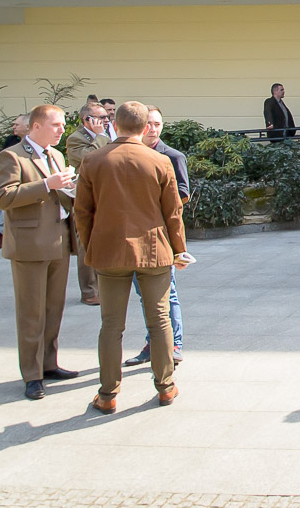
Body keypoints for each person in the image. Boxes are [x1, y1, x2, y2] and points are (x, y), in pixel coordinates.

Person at [74, 101, 189, 414]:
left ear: (115, 124)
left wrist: (91, 244)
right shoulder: (159, 161)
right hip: (154, 250)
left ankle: (108, 393)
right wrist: (179, 249)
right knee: (160, 320)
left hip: (109, 251)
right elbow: (173, 212)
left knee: (111, 325)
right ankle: (165, 386)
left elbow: (82, 211)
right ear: (144, 127)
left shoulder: (93, 160)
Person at [0, 104, 78, 401]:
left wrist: (70, 189)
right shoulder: (11, 156)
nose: (62, 129)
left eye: (62, 125)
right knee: (31, 312)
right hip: (29, 245)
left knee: (54, 307)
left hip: (58, 241)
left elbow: (57, 195)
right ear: (36, 126)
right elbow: (3, 197)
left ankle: (49, 364)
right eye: (56, 125)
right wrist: (46, 184)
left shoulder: (56, 155)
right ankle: (31, 374)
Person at [124, 106, 190, 368]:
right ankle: (152, 343)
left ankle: (174, 344)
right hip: (132, 236)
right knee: (144, 295)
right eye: (149, 123)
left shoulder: (172, 156)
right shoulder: (127, 155)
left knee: (167, 293)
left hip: (160, 235)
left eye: (158, 124)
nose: (153, 129)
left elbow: (182, 194)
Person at [65, 101, 111, 306]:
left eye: (106, 117)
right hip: (86, 196)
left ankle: (103, 287)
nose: (106, 120)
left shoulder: (106, 136)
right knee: (86, 242)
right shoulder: (76, 138)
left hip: (104, 193)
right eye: (101, 117)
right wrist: (100, 136)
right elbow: (87, 159)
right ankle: (89, 290)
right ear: (87, 120)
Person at [0, 115, 30, 252]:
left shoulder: (44, 148)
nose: (13, 127)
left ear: (28, 126)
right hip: (11, 183)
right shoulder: (11, 142)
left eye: (16, 125)